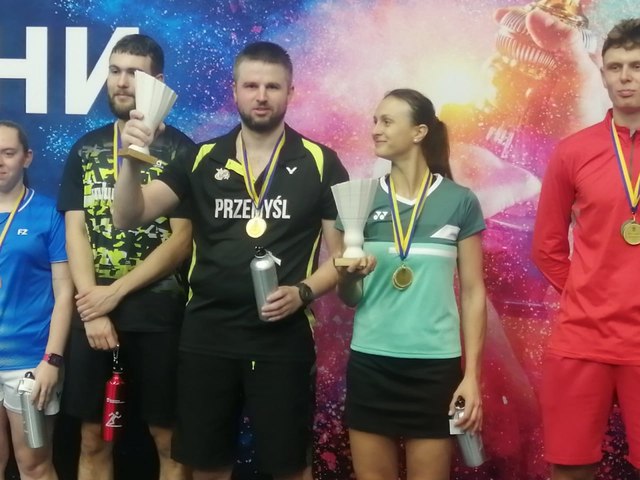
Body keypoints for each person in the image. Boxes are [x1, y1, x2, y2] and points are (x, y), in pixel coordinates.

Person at [113, 41, 348, 480]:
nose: (262, 96)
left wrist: (303, 292)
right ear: (234, 90)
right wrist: (131, 160)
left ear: (290, 92)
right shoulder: (200, 158)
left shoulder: (321, 162)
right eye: (251, 85)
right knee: (207, 467)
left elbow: (343, 257)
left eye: (272, 86)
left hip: (282, 341)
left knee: (290, 468)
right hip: (208, 335)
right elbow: (128, 215)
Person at [56, 34, 194, 480]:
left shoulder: (184, 151)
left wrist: (115, 293)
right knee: (92, 439)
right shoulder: (86, 148)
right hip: (93, 313)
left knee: (168, 440)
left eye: (133, 74)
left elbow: (181, 241)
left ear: (157, 82)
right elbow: (75, 231)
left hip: (158, 313)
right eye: (114, 71)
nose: (120, 82)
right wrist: (94, 308)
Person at [336, 89, 486, 480]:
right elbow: (349, 298)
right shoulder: (359, 198)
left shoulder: (460, 201)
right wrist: (349, 277)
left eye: (387, 121)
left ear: (419, 132)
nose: (376, 129)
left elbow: (473, 293)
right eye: (374, 121)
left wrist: (471, 376)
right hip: (371, 364)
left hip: (434, 370)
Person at [532, 17, 640, 480]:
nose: (625, 77)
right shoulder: (573, 151)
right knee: (570, 468)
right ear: (603, 73)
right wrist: (585, 292)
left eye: (637, 66)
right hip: (583, 338)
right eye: (615, 67)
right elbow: (547, 246)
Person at [0, 121, 74, 480]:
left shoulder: (47, 213)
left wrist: (52, 359)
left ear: (26, 158)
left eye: (8, 153)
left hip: (29, 363)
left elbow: (65, 292)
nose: (0, 162)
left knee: (34, 467)